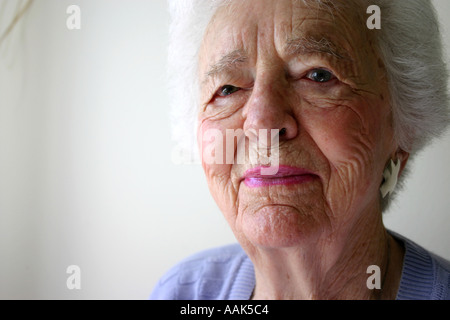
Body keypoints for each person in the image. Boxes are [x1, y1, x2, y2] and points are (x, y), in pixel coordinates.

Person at [152, 0, 450, 300]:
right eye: (227, 89)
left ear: (403, 127)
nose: (262, 122)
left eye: (318, 75)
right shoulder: (182, 292)